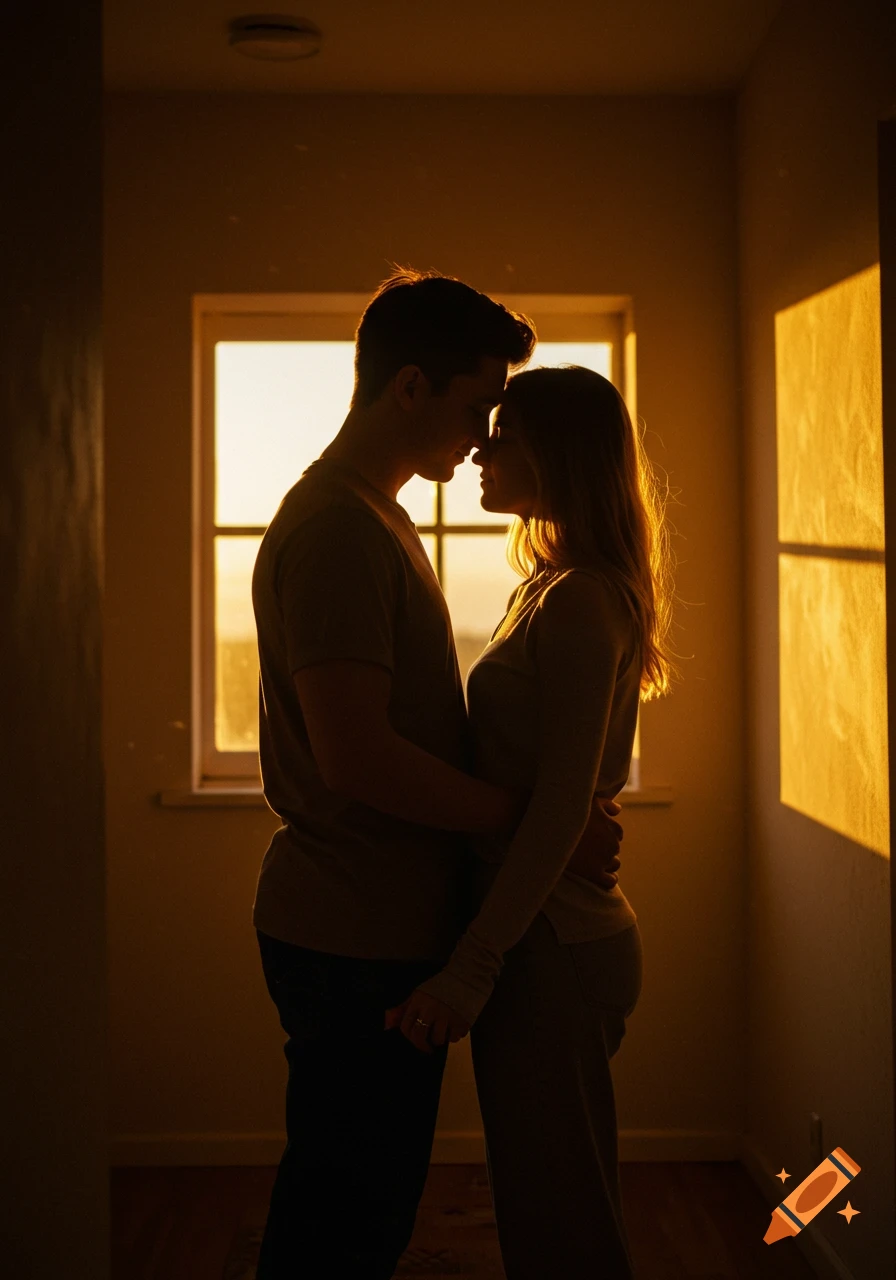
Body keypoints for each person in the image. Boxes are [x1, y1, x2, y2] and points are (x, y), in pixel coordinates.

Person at [251, 269, 625, 1280]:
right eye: (474, 406)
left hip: (379, 923)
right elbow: (357, 755)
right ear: (408, 387)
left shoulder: (377, 518)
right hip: (349, 928)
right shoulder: (337, 527)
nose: (480, 434)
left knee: (360, 1207)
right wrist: (537, 816)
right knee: (344, 1215)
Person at [385, 364, 677, 1278]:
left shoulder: (584, 598)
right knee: (540, 1207)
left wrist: (471, 970)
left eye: (503, 432)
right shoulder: (547, 587)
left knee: (566, 1224)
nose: (480, 444)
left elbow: (562, 804)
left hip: (557, 946)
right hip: (540, 945)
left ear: (557, 454)